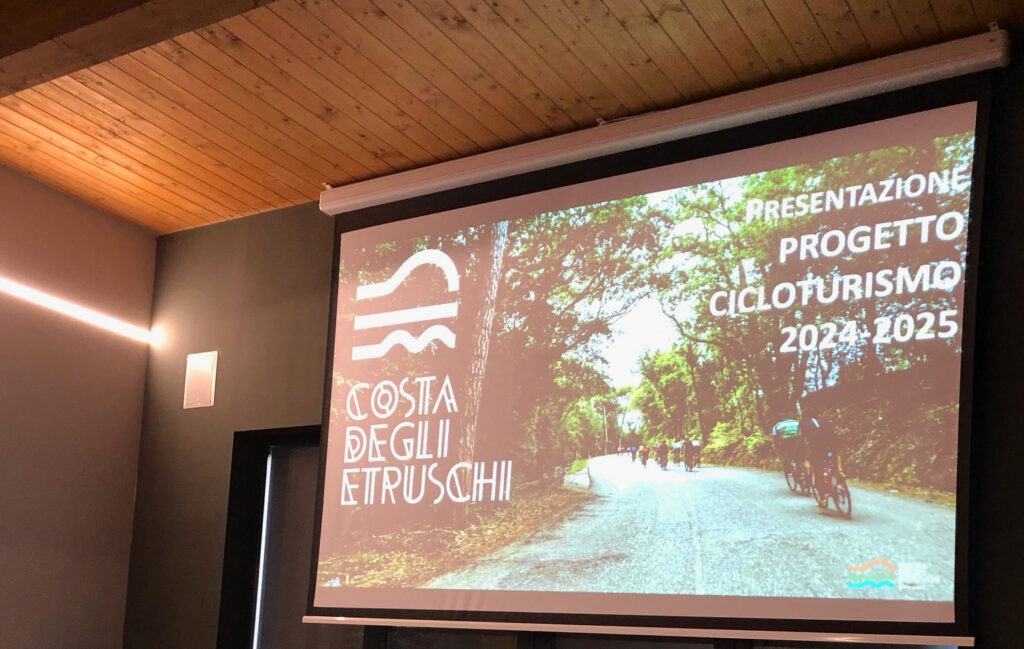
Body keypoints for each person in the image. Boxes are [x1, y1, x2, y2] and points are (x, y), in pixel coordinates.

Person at [800, 414, 841, 507]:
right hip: (832, 444)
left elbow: (801, 441)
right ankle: (839, 473)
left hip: (817, 448)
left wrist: (802, 455)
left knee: (818, 471)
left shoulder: (803, 423)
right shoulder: (824, 421)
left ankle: (822, 499)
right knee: (834, 458)